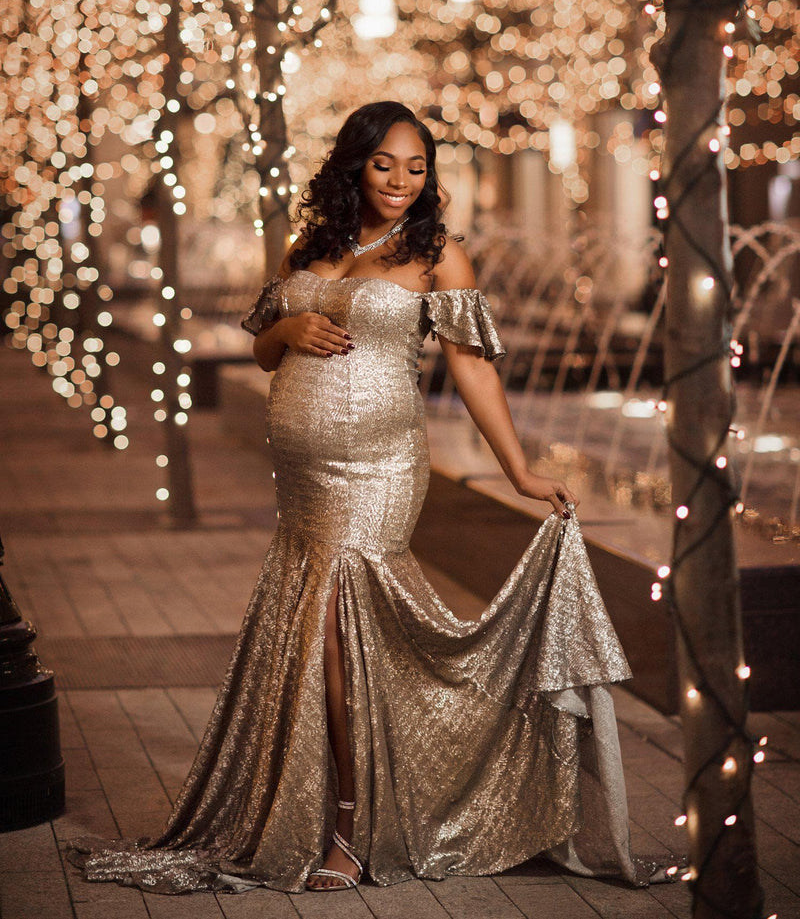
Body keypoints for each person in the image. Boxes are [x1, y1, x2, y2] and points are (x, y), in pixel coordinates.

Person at [69, 101, 654, 895]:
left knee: (339, 631)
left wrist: (517, 470)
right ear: (354, 163)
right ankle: (336, 800)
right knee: (318, 630)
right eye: (386, 164)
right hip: (305, 484)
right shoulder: (311, 243)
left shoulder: (438, 254)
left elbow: (473, 368)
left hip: (379, 470)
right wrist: (294, 328)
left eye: (417, 168)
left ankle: (351, 826)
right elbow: (263, 344)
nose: (402, 182)